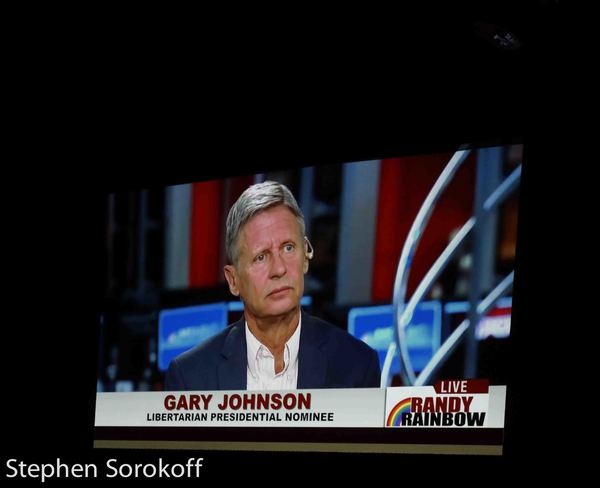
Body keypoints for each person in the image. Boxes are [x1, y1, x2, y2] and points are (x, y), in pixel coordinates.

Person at [165, 180, 380, 391]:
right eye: (260, 257)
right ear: (233, 280)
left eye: (288, 248)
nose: (279, 269)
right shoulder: (190, 377)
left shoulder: (356, 364)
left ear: (305, 256)